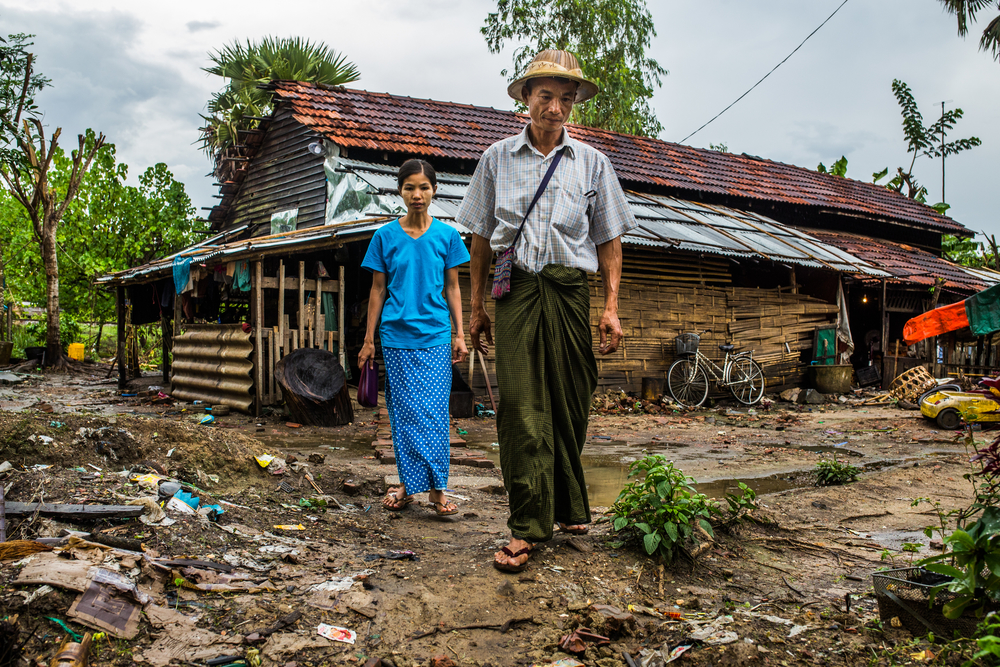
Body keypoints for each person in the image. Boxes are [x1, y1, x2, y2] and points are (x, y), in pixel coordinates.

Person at [457, 49, 638, 572]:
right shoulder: (496, 159)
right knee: (521, 406)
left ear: (573, 104)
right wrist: (476, 307)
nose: (556, 107)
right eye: (546, 96)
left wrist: (611, 307)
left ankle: (566, 504)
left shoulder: (593, 164)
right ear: (526, 99)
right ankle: (527, 525)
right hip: (515, 294)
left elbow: (609, 239)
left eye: (566, 98)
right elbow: (479, 238)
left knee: (571, 401)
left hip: (568, 291)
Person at [360, 159, 470, 516]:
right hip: (396, 337)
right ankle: (407, 485)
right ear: (400, 191)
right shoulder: (384, 237)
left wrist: (460, 334)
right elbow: (377, 291)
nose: (417, 195)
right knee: (404, 414)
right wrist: (368, 339)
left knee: (435, 412)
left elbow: (453, 287)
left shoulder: (448, 236)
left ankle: (438, 489)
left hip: (436, 335)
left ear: (434, 190)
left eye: (424, 187)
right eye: (410, 187)